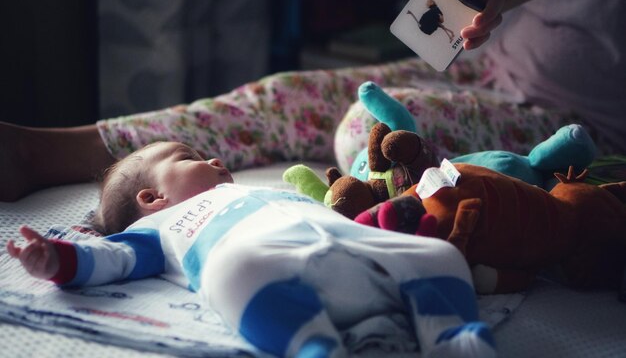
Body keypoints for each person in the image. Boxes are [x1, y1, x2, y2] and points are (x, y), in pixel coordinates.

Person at [2, 0, 624, 203]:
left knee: (366, 132)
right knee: (283, 94)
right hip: (480, 63)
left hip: (573, 119)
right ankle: (42, 150)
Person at [6, 141, 496, 358]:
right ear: (152, 199)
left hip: (358, 255)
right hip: (275, 276)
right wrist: (59, 259)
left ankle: (451, 336)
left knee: (438, 255)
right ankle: (312, 345)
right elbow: (112, 258)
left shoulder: (261, 191)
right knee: (231, 271)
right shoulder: (162, 227)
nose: (214, 159)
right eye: (189, 158)